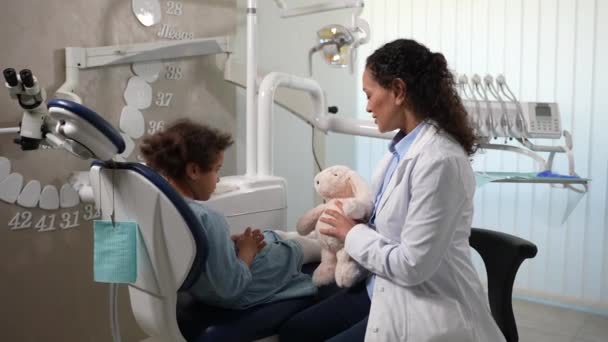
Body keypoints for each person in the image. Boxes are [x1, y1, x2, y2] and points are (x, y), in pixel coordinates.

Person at [279, 39, 506, 341]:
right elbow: (389, 223)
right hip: (381, 285)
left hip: (422, 300)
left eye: (370, 95)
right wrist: (355, 218)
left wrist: (351, 232)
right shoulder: (400, 149)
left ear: (398, 91)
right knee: (297, 330)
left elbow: (411, 266)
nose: (368, 106)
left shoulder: (440, 161)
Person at [139, 119, 321, 310]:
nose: (218, 179)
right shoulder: (208, 219)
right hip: (235, 294)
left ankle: (311, 237)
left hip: (201, 289)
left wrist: (228, 246)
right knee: (291, 247)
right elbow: (231, 288)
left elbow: (193, 253)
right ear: (194, 171)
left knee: (271, 235)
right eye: (216, 170)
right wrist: (246, 252)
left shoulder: (162, 209)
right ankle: (326, 247)